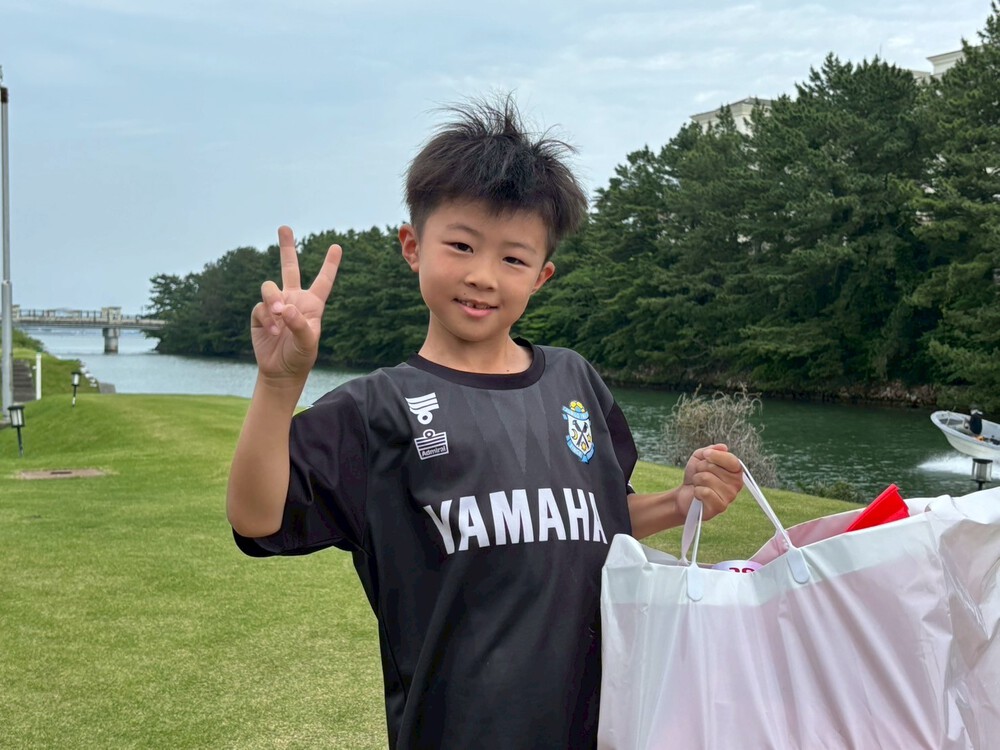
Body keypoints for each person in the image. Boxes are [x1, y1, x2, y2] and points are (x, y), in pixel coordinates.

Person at [227, 95, 744, 749]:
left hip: (598, 729)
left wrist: (680, 501)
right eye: (462, 245)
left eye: (512, 259)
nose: (482, 276)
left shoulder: (576, 383)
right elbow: (257, 519)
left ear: (541, 276)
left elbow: (597, 520)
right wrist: (279, 384)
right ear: (413, 246)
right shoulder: (375, 409)